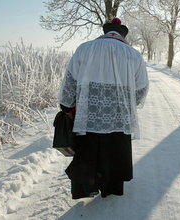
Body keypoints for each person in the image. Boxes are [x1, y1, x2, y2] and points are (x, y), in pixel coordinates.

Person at [58, 17, 149, 199]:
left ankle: (87, 187)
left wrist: (67, 105)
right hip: (119, 116)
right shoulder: (133, 54)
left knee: (89, 150)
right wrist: (130, 105)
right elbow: (142, 87)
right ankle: (111, 187)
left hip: (88, 113)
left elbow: (70, 80)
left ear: (106, 32)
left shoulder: (85, 48)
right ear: (122, 34)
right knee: (115, 151)